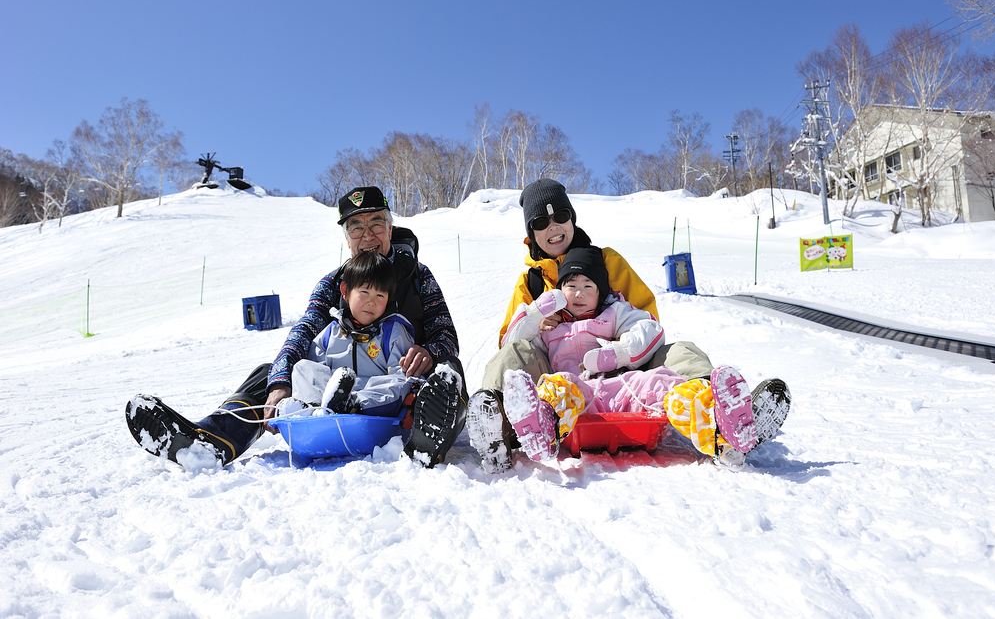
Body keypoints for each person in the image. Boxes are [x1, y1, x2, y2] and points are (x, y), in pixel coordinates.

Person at [126, 186, 466, 469]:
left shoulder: (418, 276)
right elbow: (302, 333)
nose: (368, 235)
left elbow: (446, 335)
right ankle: (210, 443)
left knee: (449, 371)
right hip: (338, 384)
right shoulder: (336, 283)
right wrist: (279, 383)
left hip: (403, 383)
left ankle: (427, 439)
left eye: (376, 223)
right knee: (270, 372)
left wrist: (430, 352)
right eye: (356, 227)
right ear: (346, 238)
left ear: (390, 228)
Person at [466, 178, 788, 472]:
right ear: (531, 232)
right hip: (558, 375)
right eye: (541, 222)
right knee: (516, 353)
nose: (553, 227)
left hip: (622, 367)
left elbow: (647, 320)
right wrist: (536, 321)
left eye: (560, 216)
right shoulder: (531, 282)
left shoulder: (606, 262)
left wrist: (616, 345)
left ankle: (718, 415)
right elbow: (508, 344)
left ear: (572, 218)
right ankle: (498, 426)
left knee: (680, 350)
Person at [498, 246, 774, 468]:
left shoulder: (614, 312)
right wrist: (534, 315)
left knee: (663, 383)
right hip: (577, 396)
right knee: (557, 387)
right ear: (559, 292)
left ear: (601, 292)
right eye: (571, 286)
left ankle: (720, 431)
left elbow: (650, 330)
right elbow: (513, 345)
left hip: (622, 389)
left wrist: (616, 353)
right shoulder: (551, 326)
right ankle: (543, 431)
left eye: (588, 286)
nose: (579, 293)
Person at [275, 249, 421, 420]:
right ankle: (312, 409)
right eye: (364, 292)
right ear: (345, 291)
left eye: (380, 295)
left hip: (370, 401)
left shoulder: (393, 331)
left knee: (399, 383)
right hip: (331, 397)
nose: (371, 302)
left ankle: (349, 407)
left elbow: (401, 376)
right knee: (302, 368)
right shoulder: (332, 332)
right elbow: (315, 370)